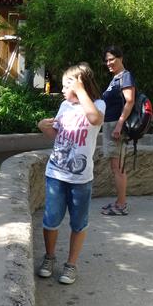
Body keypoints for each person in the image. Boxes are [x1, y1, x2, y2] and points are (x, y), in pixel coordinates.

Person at [37, 62, 105, 284]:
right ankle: (49, 257)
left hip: (81, 178)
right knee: (50, 220)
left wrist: (80, 89)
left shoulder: (98, 105)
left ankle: (71, 265)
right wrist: (42, 126)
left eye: (67, 85)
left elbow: (95, 119)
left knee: (78, 223)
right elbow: (56, 135)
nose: (63, 90)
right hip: (56, 173)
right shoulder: (64, 106)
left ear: (80, 85)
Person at [100, 45, 135, 216]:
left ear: (120, 58)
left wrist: (120, 124)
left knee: (118, 167)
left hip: (116, 127)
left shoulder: (125, 76)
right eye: (107, 60)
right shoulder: (116, 78)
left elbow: (130, 101)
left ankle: (121, 205)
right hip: (110, 125)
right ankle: (119, 201)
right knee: (115, 166)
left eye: (112, 59)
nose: (109, 63)